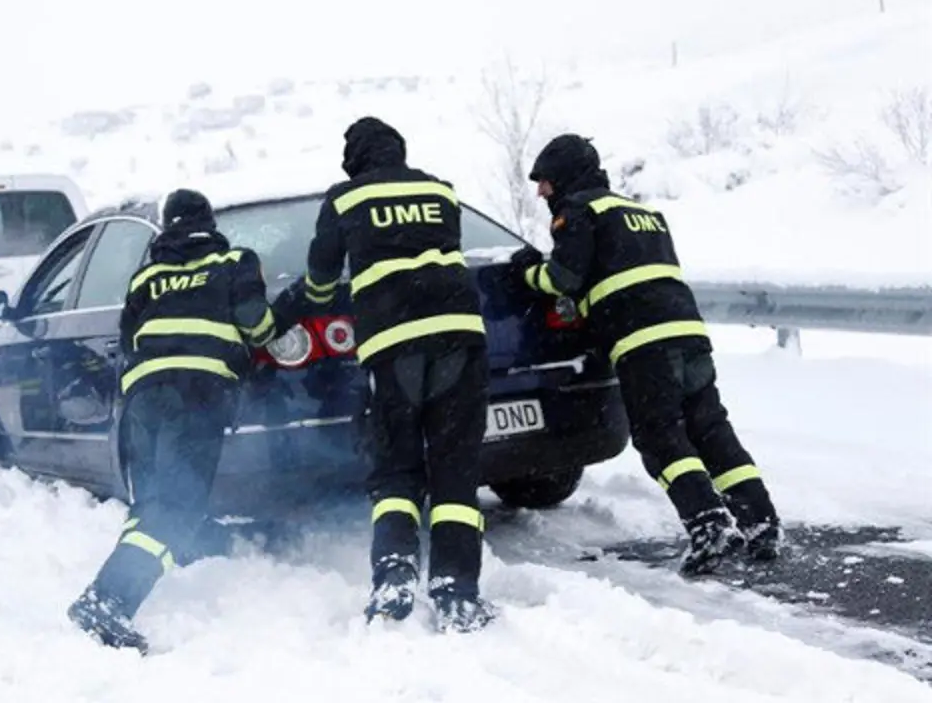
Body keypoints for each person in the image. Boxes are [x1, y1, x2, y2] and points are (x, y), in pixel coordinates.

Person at [515, 133, 782, 574]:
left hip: (643, 343)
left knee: (661, 436)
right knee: (710, 429)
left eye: (543, 180)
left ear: (562, 175)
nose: (541, 190)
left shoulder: (578, 211)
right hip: (688, 334)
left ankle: (708, 524)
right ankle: (761, 522)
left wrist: (528, 272)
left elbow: (563, 278)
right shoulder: (641, 212)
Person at [286, 116, 495, 633]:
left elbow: (320, 277)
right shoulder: (439, 190)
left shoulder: (344, 199)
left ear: (354, 159)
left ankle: (395, 575)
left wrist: (310, 302)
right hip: (460, 338)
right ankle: (457, 589)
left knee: (397, 468)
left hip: (394, 345)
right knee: (454, 467)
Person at [66, 188, 285, 653]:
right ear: (209, 222)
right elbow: (255, 321)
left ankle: (177, 555)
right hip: (197, 393)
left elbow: (128, 339)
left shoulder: (148, 275)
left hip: (143, 399)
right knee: (178, 504)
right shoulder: (234, 262)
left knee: (152, 500)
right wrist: (269, 338)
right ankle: (106, 600)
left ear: (168, 227)